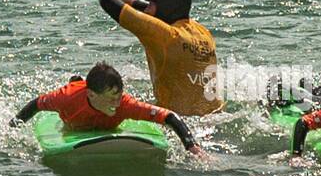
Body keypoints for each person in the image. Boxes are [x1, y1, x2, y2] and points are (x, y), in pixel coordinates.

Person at [11, 62, 206, 157]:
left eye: (119, 95)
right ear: (92, 95)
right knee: (74, 86)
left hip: (92, 109)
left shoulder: (125, 104)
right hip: (76, 112)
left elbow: (170, 116)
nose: (116, 103)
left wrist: (192, 146)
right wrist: (11, 129)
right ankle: (77, 81)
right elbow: (36, 104)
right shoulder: (66, 98)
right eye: (111, 98)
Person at [94, 0, 222, 116]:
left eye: (151, 5)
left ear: (161, 9)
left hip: (179, 120)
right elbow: (162, 12)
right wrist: (133, 2)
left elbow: (109, 3)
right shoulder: (202, 31)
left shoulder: (165, 37)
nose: (147, 8)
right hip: (215, 114)